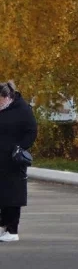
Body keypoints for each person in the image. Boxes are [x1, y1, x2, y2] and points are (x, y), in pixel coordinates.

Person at [0, 82, 38, 243]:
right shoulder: (3, 109)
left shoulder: (22, 110)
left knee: (12, 196)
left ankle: (12, 230)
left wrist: (20, 148)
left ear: (7, 97)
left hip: (13, 161)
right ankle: (3, 226)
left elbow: (32, 131)